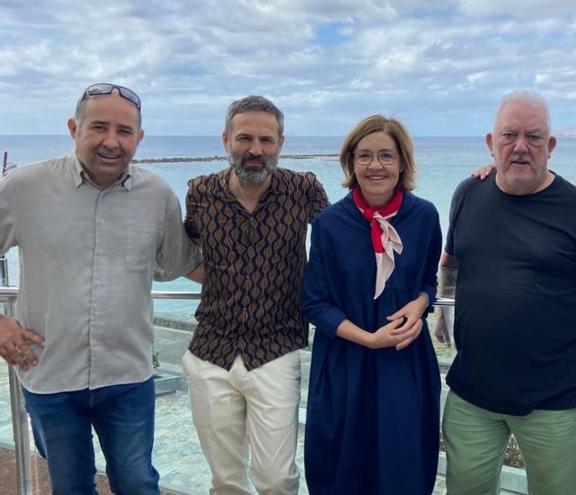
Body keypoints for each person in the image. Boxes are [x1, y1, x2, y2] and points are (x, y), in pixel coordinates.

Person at [0, 83, 199, 494]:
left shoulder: (158, 195)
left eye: (125, 131)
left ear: (139, 138)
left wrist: (270, 281)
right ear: (75, 128)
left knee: (138, 484)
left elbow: (182, 263)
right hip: (49, 374)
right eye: (99, 127)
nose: (112, 141)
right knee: (70, 488)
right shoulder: (23, 187)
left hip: (127, 375)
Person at [441, 91, 576, 495]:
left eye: (534, 137)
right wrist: (440, 315)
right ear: (491, 143)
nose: (520, 147)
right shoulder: (466, 194)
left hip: (556, 400)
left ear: (551, 147)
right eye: (509, 136)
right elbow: (451, 261)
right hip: (472, 394)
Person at [182, 95, 328, 494]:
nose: (255, 150)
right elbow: (182, 257)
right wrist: (227, 279)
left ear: (280, 142)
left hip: (276, 348)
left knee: (277, 477)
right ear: (226, 139)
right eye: (244, 138)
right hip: (211, 349)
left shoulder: (304, 189)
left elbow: (339, 243)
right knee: (225, 479)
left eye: (266, 139)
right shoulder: (200, 192)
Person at [301, 115, 442, 494]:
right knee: (342, 470)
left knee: (404, 467)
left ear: (402, 163)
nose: (375, 166)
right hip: (345, 364)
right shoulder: (328, 224)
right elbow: (314, 303)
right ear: (351, 162)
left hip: (404, 360)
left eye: (386, 156)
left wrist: (421, 303)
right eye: (364, 156)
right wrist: (367, 338)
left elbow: (429, 280)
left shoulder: (425, 216)